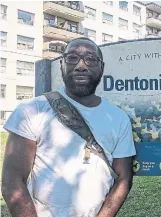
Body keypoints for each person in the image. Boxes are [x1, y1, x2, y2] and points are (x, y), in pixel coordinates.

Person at [1, 37, 136, 217]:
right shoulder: (32, 111)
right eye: (72, 58)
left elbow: (124, 179)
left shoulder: (119, 119)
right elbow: (12, 182)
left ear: (101, 68)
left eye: (91, 59)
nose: (81, 65)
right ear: (62, 65)